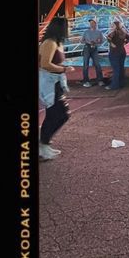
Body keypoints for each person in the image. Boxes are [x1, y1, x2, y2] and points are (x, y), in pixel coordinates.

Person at [39, 17, 75, 160]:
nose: (70, 28)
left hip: (55, 82)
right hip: (49, 82)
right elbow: (45, 64)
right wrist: (64, 69)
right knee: (59, 114)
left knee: (57, 114)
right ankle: (43, 144)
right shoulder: (50, 43)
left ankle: (44, 144)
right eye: (68, 26)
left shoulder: (57, 42)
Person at [105, 20, 129, 90]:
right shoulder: (123, 32)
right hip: (122, 51)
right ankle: (121, 83)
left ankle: (114, 85)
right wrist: (125, 43)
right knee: (121, 68)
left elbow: (108, 38)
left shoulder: (113, 32)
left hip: (114, 52)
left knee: (116, 69)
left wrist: (112, 44)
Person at [81, 19, 104, 87]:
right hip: (87, 48)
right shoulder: (86, 32)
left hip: (94, 48)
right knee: (86, 65)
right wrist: (88, 42)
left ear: (95, 24)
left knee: (97, 64)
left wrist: (96, 42)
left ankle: (100, 80)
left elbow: (101, 41)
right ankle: (86, 81)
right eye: (90, 23)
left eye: (92, 23)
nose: (91, 24)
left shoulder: (99, 32)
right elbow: (82, 41)